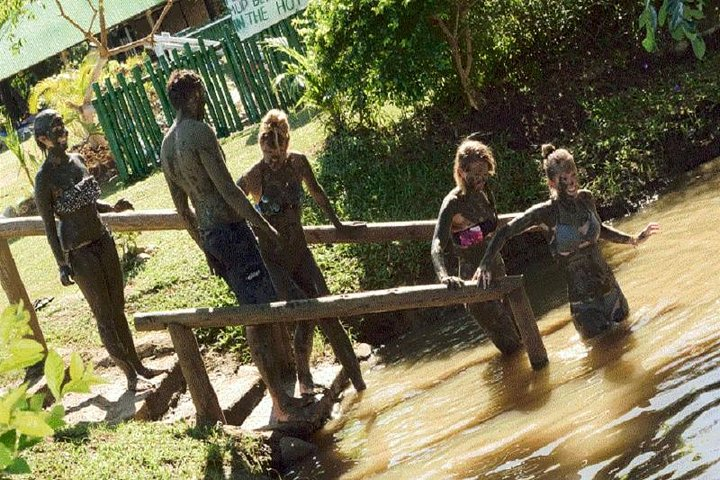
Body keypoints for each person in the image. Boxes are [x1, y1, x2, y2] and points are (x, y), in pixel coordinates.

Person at [159, 70, 312, 422]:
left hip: (213, 237)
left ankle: (283, 391)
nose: (207, 100)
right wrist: (264, 226)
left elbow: (184, 211)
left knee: (260, 307)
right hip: (232, 230)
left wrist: (206, 248)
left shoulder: (167, 146)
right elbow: (228, 190)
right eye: (204, 93)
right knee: (258, 315)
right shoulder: (199, 132)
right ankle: (280, 401)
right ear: (195, 95)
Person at [237, 109, 366, 394]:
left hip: (300, 252)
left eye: (279, 154)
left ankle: (360, 382)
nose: (275, 160)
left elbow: (317, 193)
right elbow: (233, 203)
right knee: (304, 312)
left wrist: (338, 224)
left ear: (287, 144)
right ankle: (304, 379)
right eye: (270, 154)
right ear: (261, 147)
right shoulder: (254, 176)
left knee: (328, 311)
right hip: (274, 260)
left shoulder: (298, 164)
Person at [476, 144, 660, 339]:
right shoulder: (546, 213)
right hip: (584, 306)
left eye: (573, 176)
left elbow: (601, 230)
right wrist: (486, 263)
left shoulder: (586, 199)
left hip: (612, 294)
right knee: (602, 354)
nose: (572, 184)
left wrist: (633, 239)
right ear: (552, 183)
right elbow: (505, 231)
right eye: (564, 179)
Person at [34, 109, 160, 391]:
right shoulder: (44, 179)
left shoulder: (77, 161)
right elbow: (49, 226)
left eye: (62, 126)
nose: (62, 132)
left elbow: (89, 203)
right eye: (55, 130)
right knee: (104, 315)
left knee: (118, 308)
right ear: (43, 139)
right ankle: (129, 375)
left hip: (103, 241)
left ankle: (139, 365)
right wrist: (61, 263)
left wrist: (112, 207)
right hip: (79, 253)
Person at [431, 139, 522, 354]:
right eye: (477, 175)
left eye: (486, 174)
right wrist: (444, 276)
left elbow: (492, 230)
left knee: (522, 336)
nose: (482, 179)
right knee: (512, 346)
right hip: (476, 281)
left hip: (497, 268)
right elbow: (436, 244)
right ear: (462, 172)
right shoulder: (453, 203)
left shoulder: (484, 191)